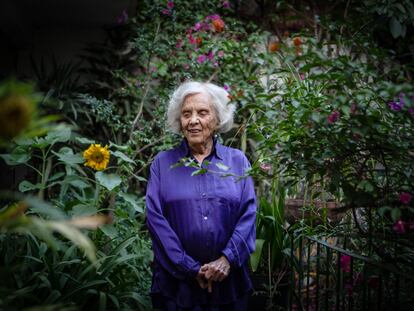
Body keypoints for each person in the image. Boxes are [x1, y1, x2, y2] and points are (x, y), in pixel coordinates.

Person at [146, 81, 257, 310]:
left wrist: (226, 260)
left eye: (202, 112)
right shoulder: (162, 163)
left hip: (229, 283)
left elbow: (249, 214)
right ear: (180, 121)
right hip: (177, 287)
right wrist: (189, 267)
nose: (193, 120)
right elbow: (155, 219)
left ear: (217, 119)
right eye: (187, 114)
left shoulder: (237, 161)